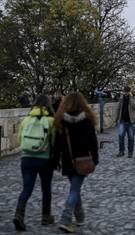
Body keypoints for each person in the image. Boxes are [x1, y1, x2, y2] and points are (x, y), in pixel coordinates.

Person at [53, 92, 99, 233]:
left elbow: (57, 145)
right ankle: (66, 220)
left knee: (75, 188)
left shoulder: (61, 120)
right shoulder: (87, 120)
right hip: (82, 160)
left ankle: (80, 218)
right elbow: (93, 143)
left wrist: (56, 161)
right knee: (74, 189)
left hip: (67, 160)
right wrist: (95, 160)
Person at [13, 95, 56, 231]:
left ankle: (19, 215)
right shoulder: (50, 121)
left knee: (27, 189)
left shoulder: (26, 120)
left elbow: (20, 141)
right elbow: (54, 141)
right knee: (46, 188)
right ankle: (45, 216)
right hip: (45, 159)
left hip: (27, 159)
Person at [114, 86, 135, 158]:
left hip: (131, 122)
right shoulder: (121, 99)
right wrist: (116, 120)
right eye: (125, 91)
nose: (126, 93)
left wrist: (131, 98)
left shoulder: (133, 98)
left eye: (127, 92)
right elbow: (118, 109)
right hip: (123, 121)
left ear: (129, 92)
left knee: (131, 138)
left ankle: (130, 152)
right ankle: (121, 151)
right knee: (121, 136)